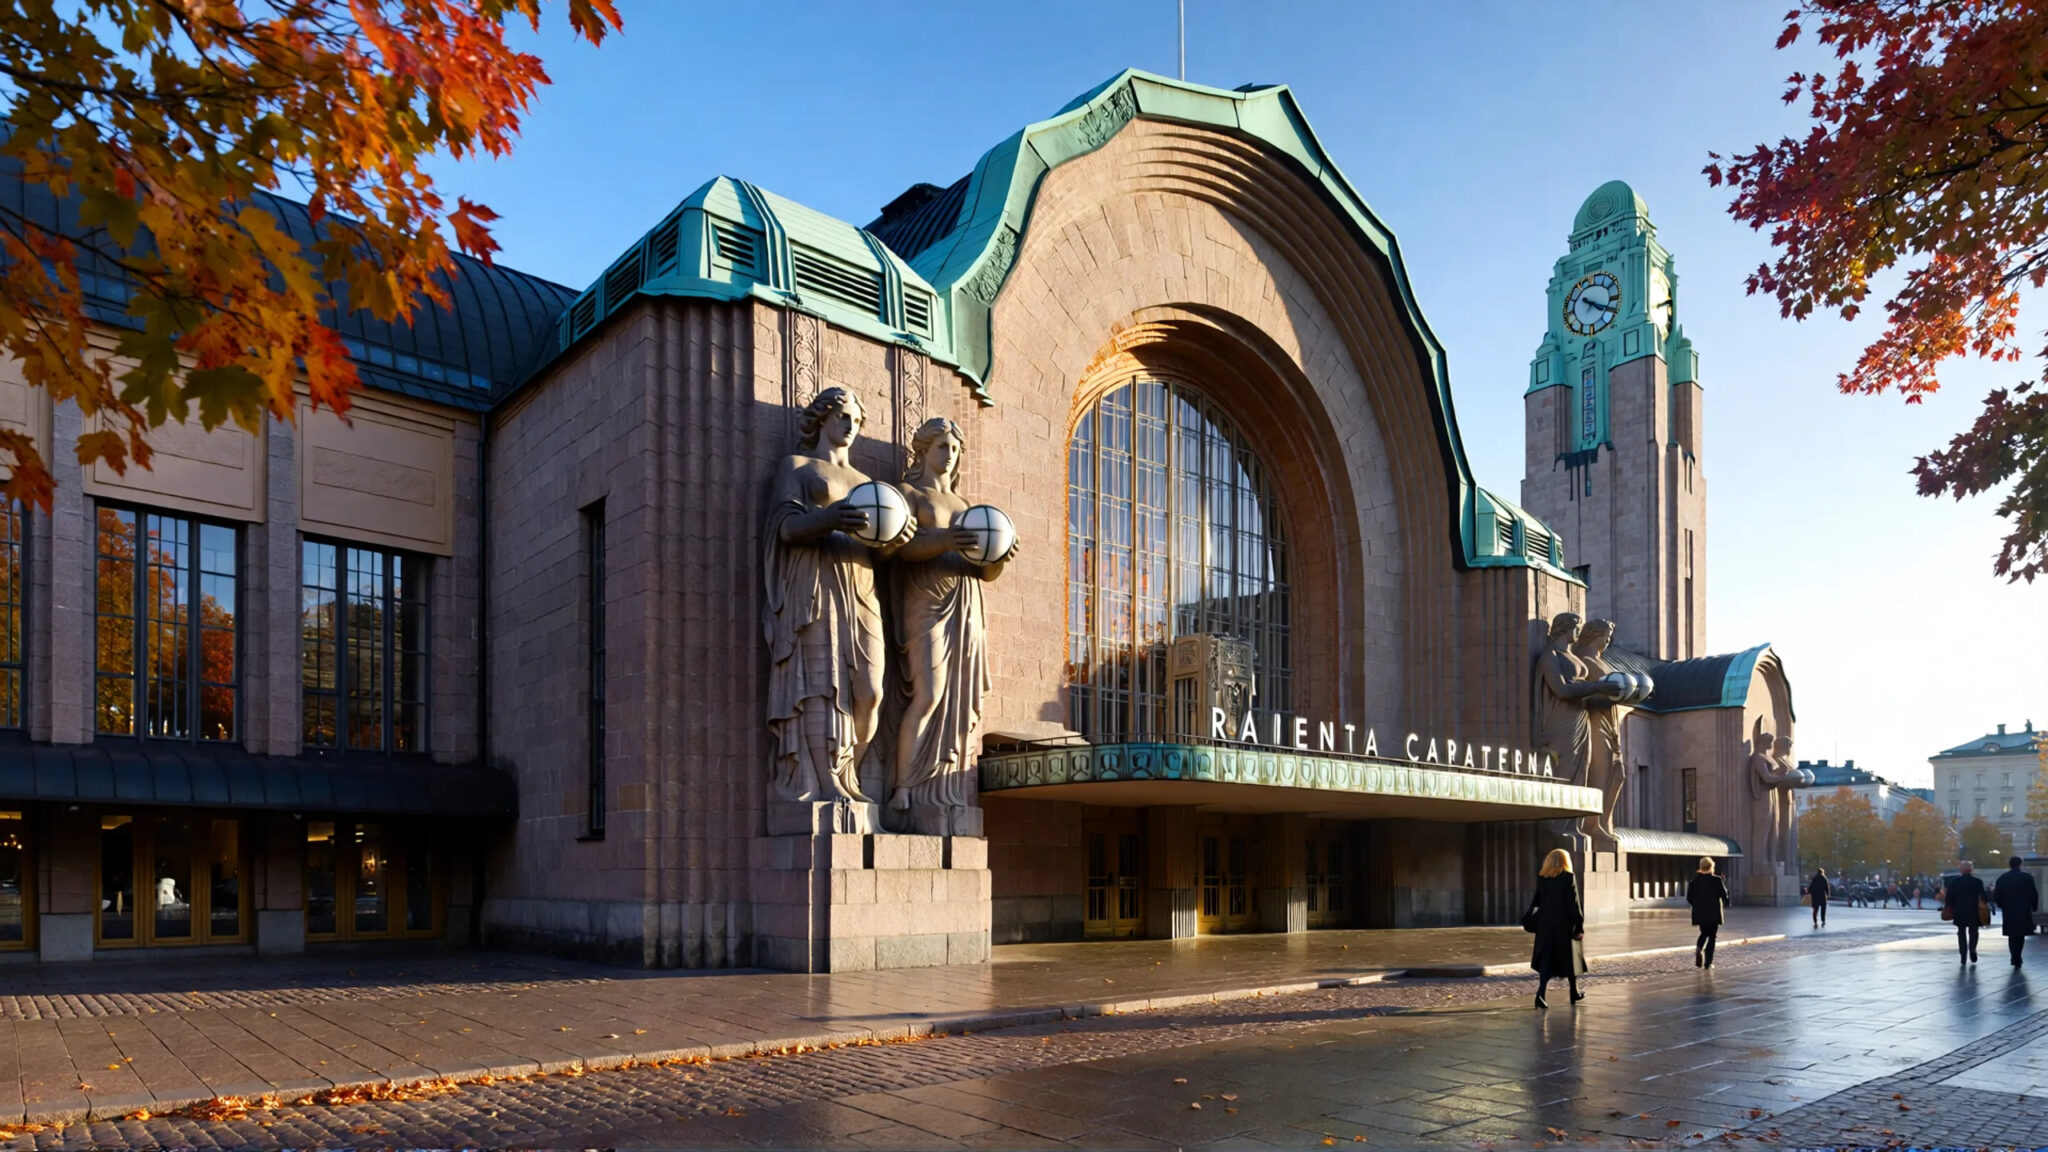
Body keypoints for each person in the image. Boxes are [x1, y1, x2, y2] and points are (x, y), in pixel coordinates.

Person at [1528, 848, 1587, 1009]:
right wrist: (1579, 925)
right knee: (1570, 958)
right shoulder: (1568, 877)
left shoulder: (1543, 877)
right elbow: (1573, 903)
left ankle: (1541, 994)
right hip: (1564, 925)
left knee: (1547, 960)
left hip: (1545, 926)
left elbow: (1537, 901)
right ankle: (1573, 992)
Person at [1991, 857, 2040, 969]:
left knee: (2012, 935)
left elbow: (1997, 895)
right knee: (2021, 934)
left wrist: (2001, 905)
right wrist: (2034, 908)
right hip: (2023, 909)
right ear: (2020, 864)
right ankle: (2018, 955)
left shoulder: (2003, 878)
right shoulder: (2027, 878)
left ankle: (2014, 955)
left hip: (2009, 910)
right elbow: (2034, 894)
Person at [1686, 856, 1729, 968]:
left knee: (1704, 933)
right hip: (1714, 913)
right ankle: (1708, 963)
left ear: (1701, 867)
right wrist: (1724, 883)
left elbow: (1689, 898)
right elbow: (1724, 896)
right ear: (1711, 867)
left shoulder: (1694, 882)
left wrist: (1697, 906)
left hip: (1700, 913)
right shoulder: (1717, 880)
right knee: (1712, 937)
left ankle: (1699, 948)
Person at [1944, 861, 1988, 965]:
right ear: (1971, 870)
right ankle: (1972, 948)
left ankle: (1963, 954)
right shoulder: (1977, 882)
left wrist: (1949, 907)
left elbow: (1949, 897)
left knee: (1961, 932)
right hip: (1973, 910)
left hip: (1959, 910)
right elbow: (1984, 897)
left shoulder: (1955, 882)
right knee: (1973, 931)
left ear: (1961, 870)